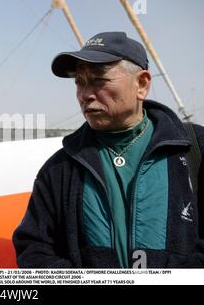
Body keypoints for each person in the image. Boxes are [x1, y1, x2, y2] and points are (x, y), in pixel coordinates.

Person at [13, 31, 204, 268]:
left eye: (98, 80)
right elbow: (34, 249)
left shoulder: (195, 149)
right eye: (80, 83)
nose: (85, 95)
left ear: (142, 84)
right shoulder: (60, 168)